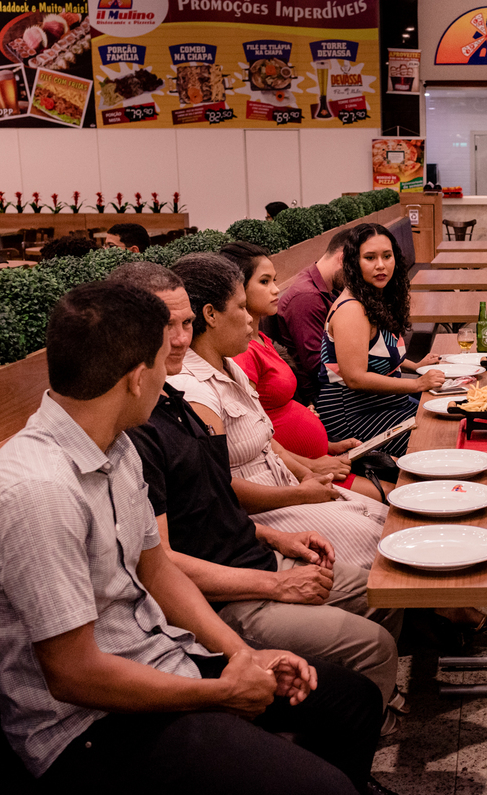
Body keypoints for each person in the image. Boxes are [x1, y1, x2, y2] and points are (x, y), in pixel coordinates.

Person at [0, 281, 407, 795]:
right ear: (137, 378)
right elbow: (74, 674)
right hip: (90, 730)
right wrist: (218, 693)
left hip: (164, 657)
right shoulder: (37, 491)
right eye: (162, 358)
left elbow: (157, 570)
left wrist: (243, 656)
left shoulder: (114, 445)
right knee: (323, 789)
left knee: (351, 700)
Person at [113, 261, 405, 726]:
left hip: (256, 553)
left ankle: (364, 708)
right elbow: (161, 564)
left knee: (389, 588)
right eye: (167, 327)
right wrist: (277, 581)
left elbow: (213, 503)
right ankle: (354, 719)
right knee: (374, 641)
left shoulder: (172, 400)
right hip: (228, 594)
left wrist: (277, 539)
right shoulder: (138, 428)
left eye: (185, 324)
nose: (180, 339)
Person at [165, 252, 389, 571]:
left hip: (288, 485)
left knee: (386, 518)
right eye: (241, 307)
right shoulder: (194, 388)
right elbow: (218, 489)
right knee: (379, 543)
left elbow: (267, 443)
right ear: (211, 315)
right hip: (265, 511)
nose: (249, 319)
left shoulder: (229, 365)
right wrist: (301, 492)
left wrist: (306, 474)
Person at [221, 240, 384, 500]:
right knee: (395, 495)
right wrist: (311, 465)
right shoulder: (243, 353)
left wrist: (328, 446)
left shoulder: (261, 339)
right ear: (238, 289)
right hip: (298, 473)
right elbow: (255, 435)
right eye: (264, 282)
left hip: (319, 459)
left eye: (274, 280)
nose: (276, 289)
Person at [313, 223, 441, 457]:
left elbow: (377, 352)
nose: (380, 265)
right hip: (353, 416)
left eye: (387, 256)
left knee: (448, 418)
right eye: (370, 258)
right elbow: (355, 378)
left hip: (386, 404)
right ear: (353, 262)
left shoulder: (374, 298)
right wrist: (417, 384)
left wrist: (416, 367)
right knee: (437, 439)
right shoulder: (352, 309)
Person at [277, 228, 351, 400]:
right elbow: (318, 365)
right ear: (342, 259)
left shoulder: (328, 288)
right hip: (324, 397)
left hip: (338, 385)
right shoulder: (307, 297)